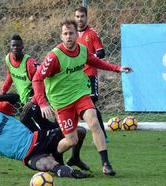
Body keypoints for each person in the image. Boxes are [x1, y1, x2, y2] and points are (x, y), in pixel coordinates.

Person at [32, 19, 133, 176]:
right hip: (61, 102)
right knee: (72, 140)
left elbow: (97, 62)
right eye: (65, 34)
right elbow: (37, 79)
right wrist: (43, 102)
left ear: (76, 34)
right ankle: (55, 155)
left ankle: (106, 164)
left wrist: (117, 68)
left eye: (71, 33)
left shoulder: (83, 50)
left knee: (93, 120)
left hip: (80, 95)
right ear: (61, 37)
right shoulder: (54, 57)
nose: (69, 36)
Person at [0, 93, 90, 179]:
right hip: (29, 156)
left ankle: (74, 158)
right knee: (47, 165)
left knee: (80, 131)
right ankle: (71, 173)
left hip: (39, 138)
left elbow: (15, 98)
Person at [0, 34, 58, 132]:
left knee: (24, 119)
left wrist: (33, 100)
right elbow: (10, 75)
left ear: (22, 47)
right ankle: (60, 133)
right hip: (25, 98)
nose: (15, 48)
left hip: (35, 96)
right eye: (13, 45)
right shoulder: (8, 59)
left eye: (18, 46)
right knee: (44, 124)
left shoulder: (29, 63)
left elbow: (42, 80)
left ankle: (40, 139)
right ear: (10, 47)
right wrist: (3, 91)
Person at [75, 6, 109, 143]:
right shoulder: (71, 34)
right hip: (75, 76)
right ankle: (70, 135)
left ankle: (102, 136)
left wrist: (87, 57)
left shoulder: (92, 33)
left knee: (91, 105)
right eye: (77, 16)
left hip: (90, 74)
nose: (79, 19)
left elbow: (101, 53)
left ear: (87, 17)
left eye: (82, 16)